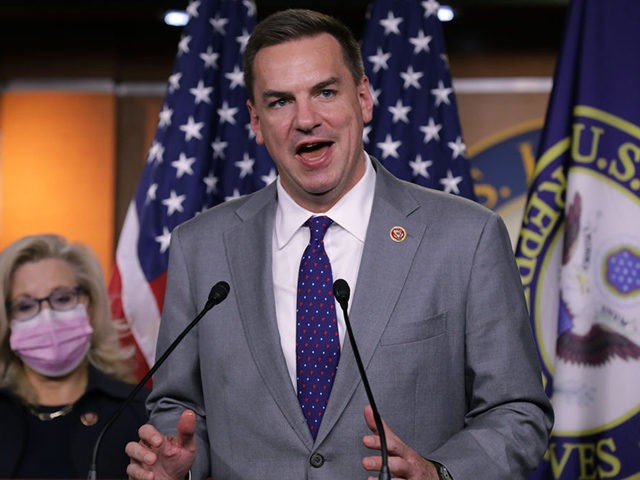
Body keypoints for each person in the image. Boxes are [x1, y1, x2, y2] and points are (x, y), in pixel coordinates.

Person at [125, 8, 553, 480]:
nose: (306, 119)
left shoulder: (466, 237)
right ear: (255, 121)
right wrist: (178, 466)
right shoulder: (199, 247)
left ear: (364, 98)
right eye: (280, 102)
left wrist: (440, 472)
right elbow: (179, 406)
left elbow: (518, 412)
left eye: (325, 92)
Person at [0, 234, 149, 479]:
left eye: (62, 298)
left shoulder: (141, 412)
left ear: (89, 305)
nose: (47, 316)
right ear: (7, 321)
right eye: (25, 306)